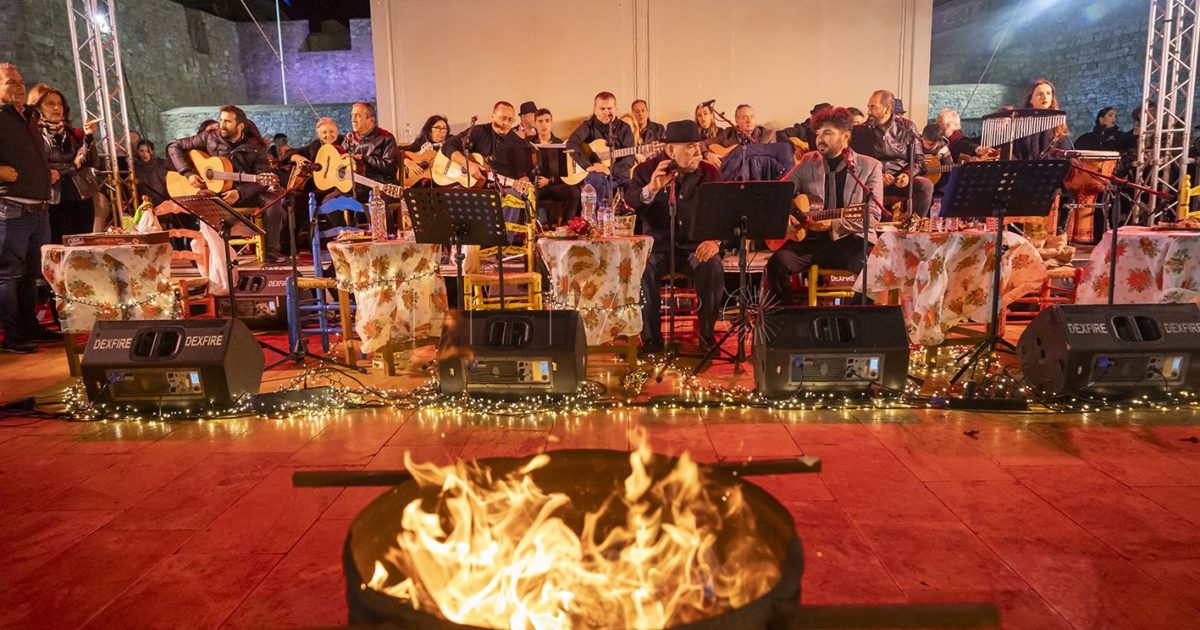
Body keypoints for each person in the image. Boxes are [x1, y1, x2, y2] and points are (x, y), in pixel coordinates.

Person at [765, 106, 883, 306]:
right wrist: (789, 214)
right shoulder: (808, 161)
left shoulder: (870, 166)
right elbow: (777, 194)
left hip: (852, 242)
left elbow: (871, 215)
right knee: (777, 262)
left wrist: (833, 225)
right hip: (813, 242)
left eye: (827, 133)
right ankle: (785, 317)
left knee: (871, 268)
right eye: (818, 133)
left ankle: (853, 318)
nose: (820, 139)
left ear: (845, 136)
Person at [627, 120, 724, 354]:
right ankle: (651, 340)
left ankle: (706, 335)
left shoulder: (709, 173)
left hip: (694, 247)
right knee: (643, 270)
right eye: (690, 146)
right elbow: (630, 203)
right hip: (657, 248)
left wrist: (715, 241)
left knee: (712, 266)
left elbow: (723, 213)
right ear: (671, 150)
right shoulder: (645, 171)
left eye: (698, 145)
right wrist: (650, 190)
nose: (698, 151)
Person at [167, 105, 281, 260]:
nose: (222, 125)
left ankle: (271, 250)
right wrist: (188, 174)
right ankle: (209, 253)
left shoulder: (256, 147)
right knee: (202, 199)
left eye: (227, 121)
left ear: (240, 126)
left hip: (243, 193)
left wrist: (240, 192)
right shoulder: (209, 137)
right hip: (215, 193)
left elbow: (262, 179)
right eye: (221, 120)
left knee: (273, 199)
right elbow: (174, 146)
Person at [0, 63, 54, 352]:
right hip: (11, 209)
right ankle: (13, 336)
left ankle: (30, 327)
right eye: (11, 82)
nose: (19, 86)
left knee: (32, 273)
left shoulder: (29, 117)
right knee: (9, 274)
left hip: (38, 210)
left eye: (21, 81)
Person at [27, 84, 97, 244]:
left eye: (60, 103)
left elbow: (91, 162)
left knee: (82, 246)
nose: (57, 108)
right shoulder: (32, 134)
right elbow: (44, 168)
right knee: (56, 246)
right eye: (50, 103)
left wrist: (89, 137)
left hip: (80, 196)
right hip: (51, 200)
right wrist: (73, 166)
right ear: (37, 107)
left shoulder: (73, 133)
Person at [852, 89, 931, 217]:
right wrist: (878, 176)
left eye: (873, 107)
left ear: (887, 109)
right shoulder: (860, 131)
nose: (868, 112)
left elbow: (919, 161)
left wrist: (907, 175)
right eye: (868, 107)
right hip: (871, 180)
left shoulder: (907, 128)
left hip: (900, 180)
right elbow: (855, 161)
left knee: (925, 185)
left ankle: (914, 223)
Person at [566, 91, 636, 201]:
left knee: (633, 188)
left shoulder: (624, 128)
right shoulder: (588, 126)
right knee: (595, 178)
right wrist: (587, 166)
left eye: (609, 108)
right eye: (602, 109)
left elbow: (629, 159)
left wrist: (609, 170)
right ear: (595, 110)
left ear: (615, 109)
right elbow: (572, 142)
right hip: (595, 174)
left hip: (618, 176)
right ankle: (596, 211)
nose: (606, 112)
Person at [528, 108, 580, 226]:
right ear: (535, 124)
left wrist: (549, 181)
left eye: (547, 121)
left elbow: (565, 172)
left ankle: (566, 227)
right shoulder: (528, 145)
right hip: (534, 186)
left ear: (551, 123)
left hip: (553, 185)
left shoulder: (560, 144)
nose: (544, 124)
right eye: (540, 121)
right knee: (523, 194)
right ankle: (531, 229)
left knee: (574, 191)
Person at [340, 101, 399, 202]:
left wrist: (365, 158)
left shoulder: (386, 137)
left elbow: (391, 168)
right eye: (352, 115)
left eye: (357, 116)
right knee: (328, 201)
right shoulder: (349, 138)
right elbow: (339, 162)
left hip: (380, 185)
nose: (353, 120)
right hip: (354, 185)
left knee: (362, 202)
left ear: (371, 120)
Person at [1013, 79, 1072, 160]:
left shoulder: (1058, 122)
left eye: (1048, 93)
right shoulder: (1020, 123)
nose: (1045, 97)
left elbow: (1064, 150)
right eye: (1040, 94)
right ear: (1030, 99)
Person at [400, 115, 449, 185]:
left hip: (439, 182)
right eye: (438, 128)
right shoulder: (420, 143)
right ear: (429, 130)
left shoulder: (449, 144)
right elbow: (396, 152)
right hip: (416, 182)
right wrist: (407, 162)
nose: (442, 131)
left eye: (445, 128)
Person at [133, 139, 171, 207]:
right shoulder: (134, 167)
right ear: (137, 151)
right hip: (144, 204)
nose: (145, 154)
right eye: (141, 151)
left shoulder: (162, 164)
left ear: (152, 151)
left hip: (163, 202)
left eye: (148, 151)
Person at [694, 101, 723, 167]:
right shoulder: (694, 134)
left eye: (705, 113)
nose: (703, 118)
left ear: (711, 115)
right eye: (699, 115)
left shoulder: (721, 132)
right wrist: (707, 154)